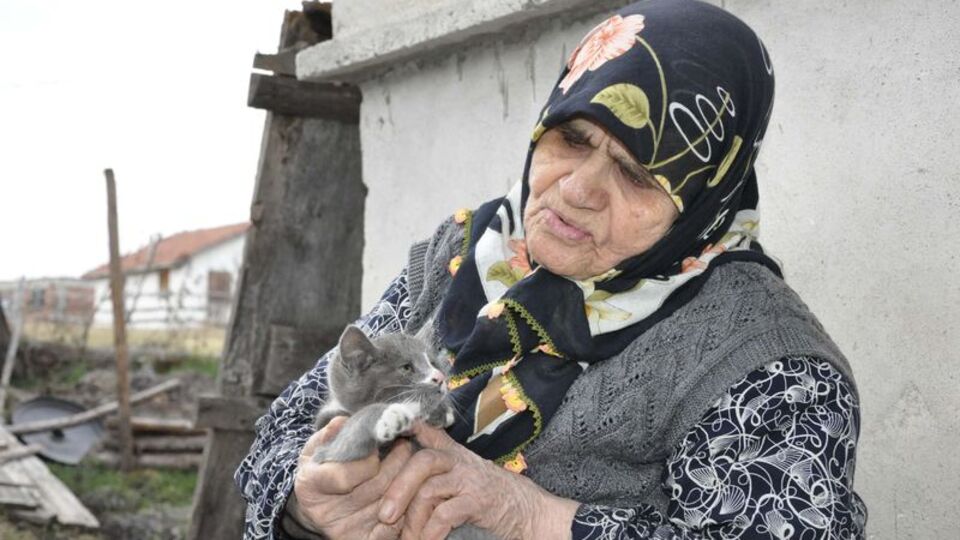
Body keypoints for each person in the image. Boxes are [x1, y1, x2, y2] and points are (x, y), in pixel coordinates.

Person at [236, 0, 867, 538]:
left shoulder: (770, 362)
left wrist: (529, 515)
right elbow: (284, 430)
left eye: (638, 175)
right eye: (574, 140)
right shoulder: (467, 250)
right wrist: (309, 506)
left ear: (704, 199)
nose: (577, 190)